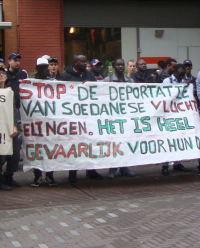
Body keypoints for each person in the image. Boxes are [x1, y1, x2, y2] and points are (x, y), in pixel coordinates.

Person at [61, 54, 104, 182]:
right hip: (73, 116)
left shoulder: (89, 75)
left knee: (89, 143)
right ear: (75, 62)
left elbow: (95, 91)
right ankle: (72, 173)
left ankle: (91, 171)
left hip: (87, 115)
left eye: (86, 61)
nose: (85, 63)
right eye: (82, 61)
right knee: (74, 144)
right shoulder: (66, 77)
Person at [0, 67, 22, 190]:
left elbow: (13, 109)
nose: (2, 75)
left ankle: (9, 176)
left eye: (3, 73)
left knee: (15, 153)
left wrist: (14, 125)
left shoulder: (10, 91)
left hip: (8, 126)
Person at [158, 64, 194, 175]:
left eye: (183, 75)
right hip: (168, 114)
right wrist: (179, 87)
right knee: (168, 139)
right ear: (174, 72)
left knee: (178, 139)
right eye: (179, 74)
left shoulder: (184, 81)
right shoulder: (166, 81)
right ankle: (165, 165)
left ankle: (177, 163)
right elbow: (165, 96)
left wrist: (186, 87)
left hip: (180, 115)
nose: (181, 77)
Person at [104, 58, 136, 179]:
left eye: (122, 65)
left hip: (126, 116)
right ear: (114, 66)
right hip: (113, 116)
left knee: (125, 142)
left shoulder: (130, 81)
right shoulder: (107, 80)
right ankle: (112, 168)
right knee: (114, 143)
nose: (121, 67)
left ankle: (124, 168)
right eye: (118, 65)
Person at [30, 59, 58, 187]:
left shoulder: (52, 82)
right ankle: (37, 176)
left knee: (50, 148)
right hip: (36, 121)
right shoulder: (31, 82)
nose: (44, 69)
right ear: (37, 68)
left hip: (50, 121)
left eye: (45, 67)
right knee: (38, 149)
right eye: (41, 67)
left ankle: (50, 175)